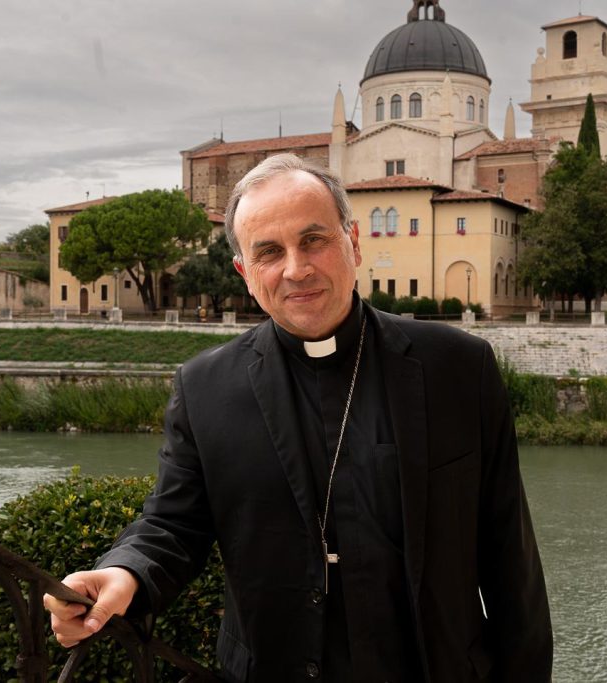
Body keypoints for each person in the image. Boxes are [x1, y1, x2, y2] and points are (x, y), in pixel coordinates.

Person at [44, 154, 552, 682]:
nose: (296, 268)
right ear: (245, 273)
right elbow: (173, 523)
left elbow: (510, 562)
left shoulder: (458, 368)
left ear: (353, 242)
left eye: (314, 240)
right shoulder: (205, 388)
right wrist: (124, 571)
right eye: (269, 252)